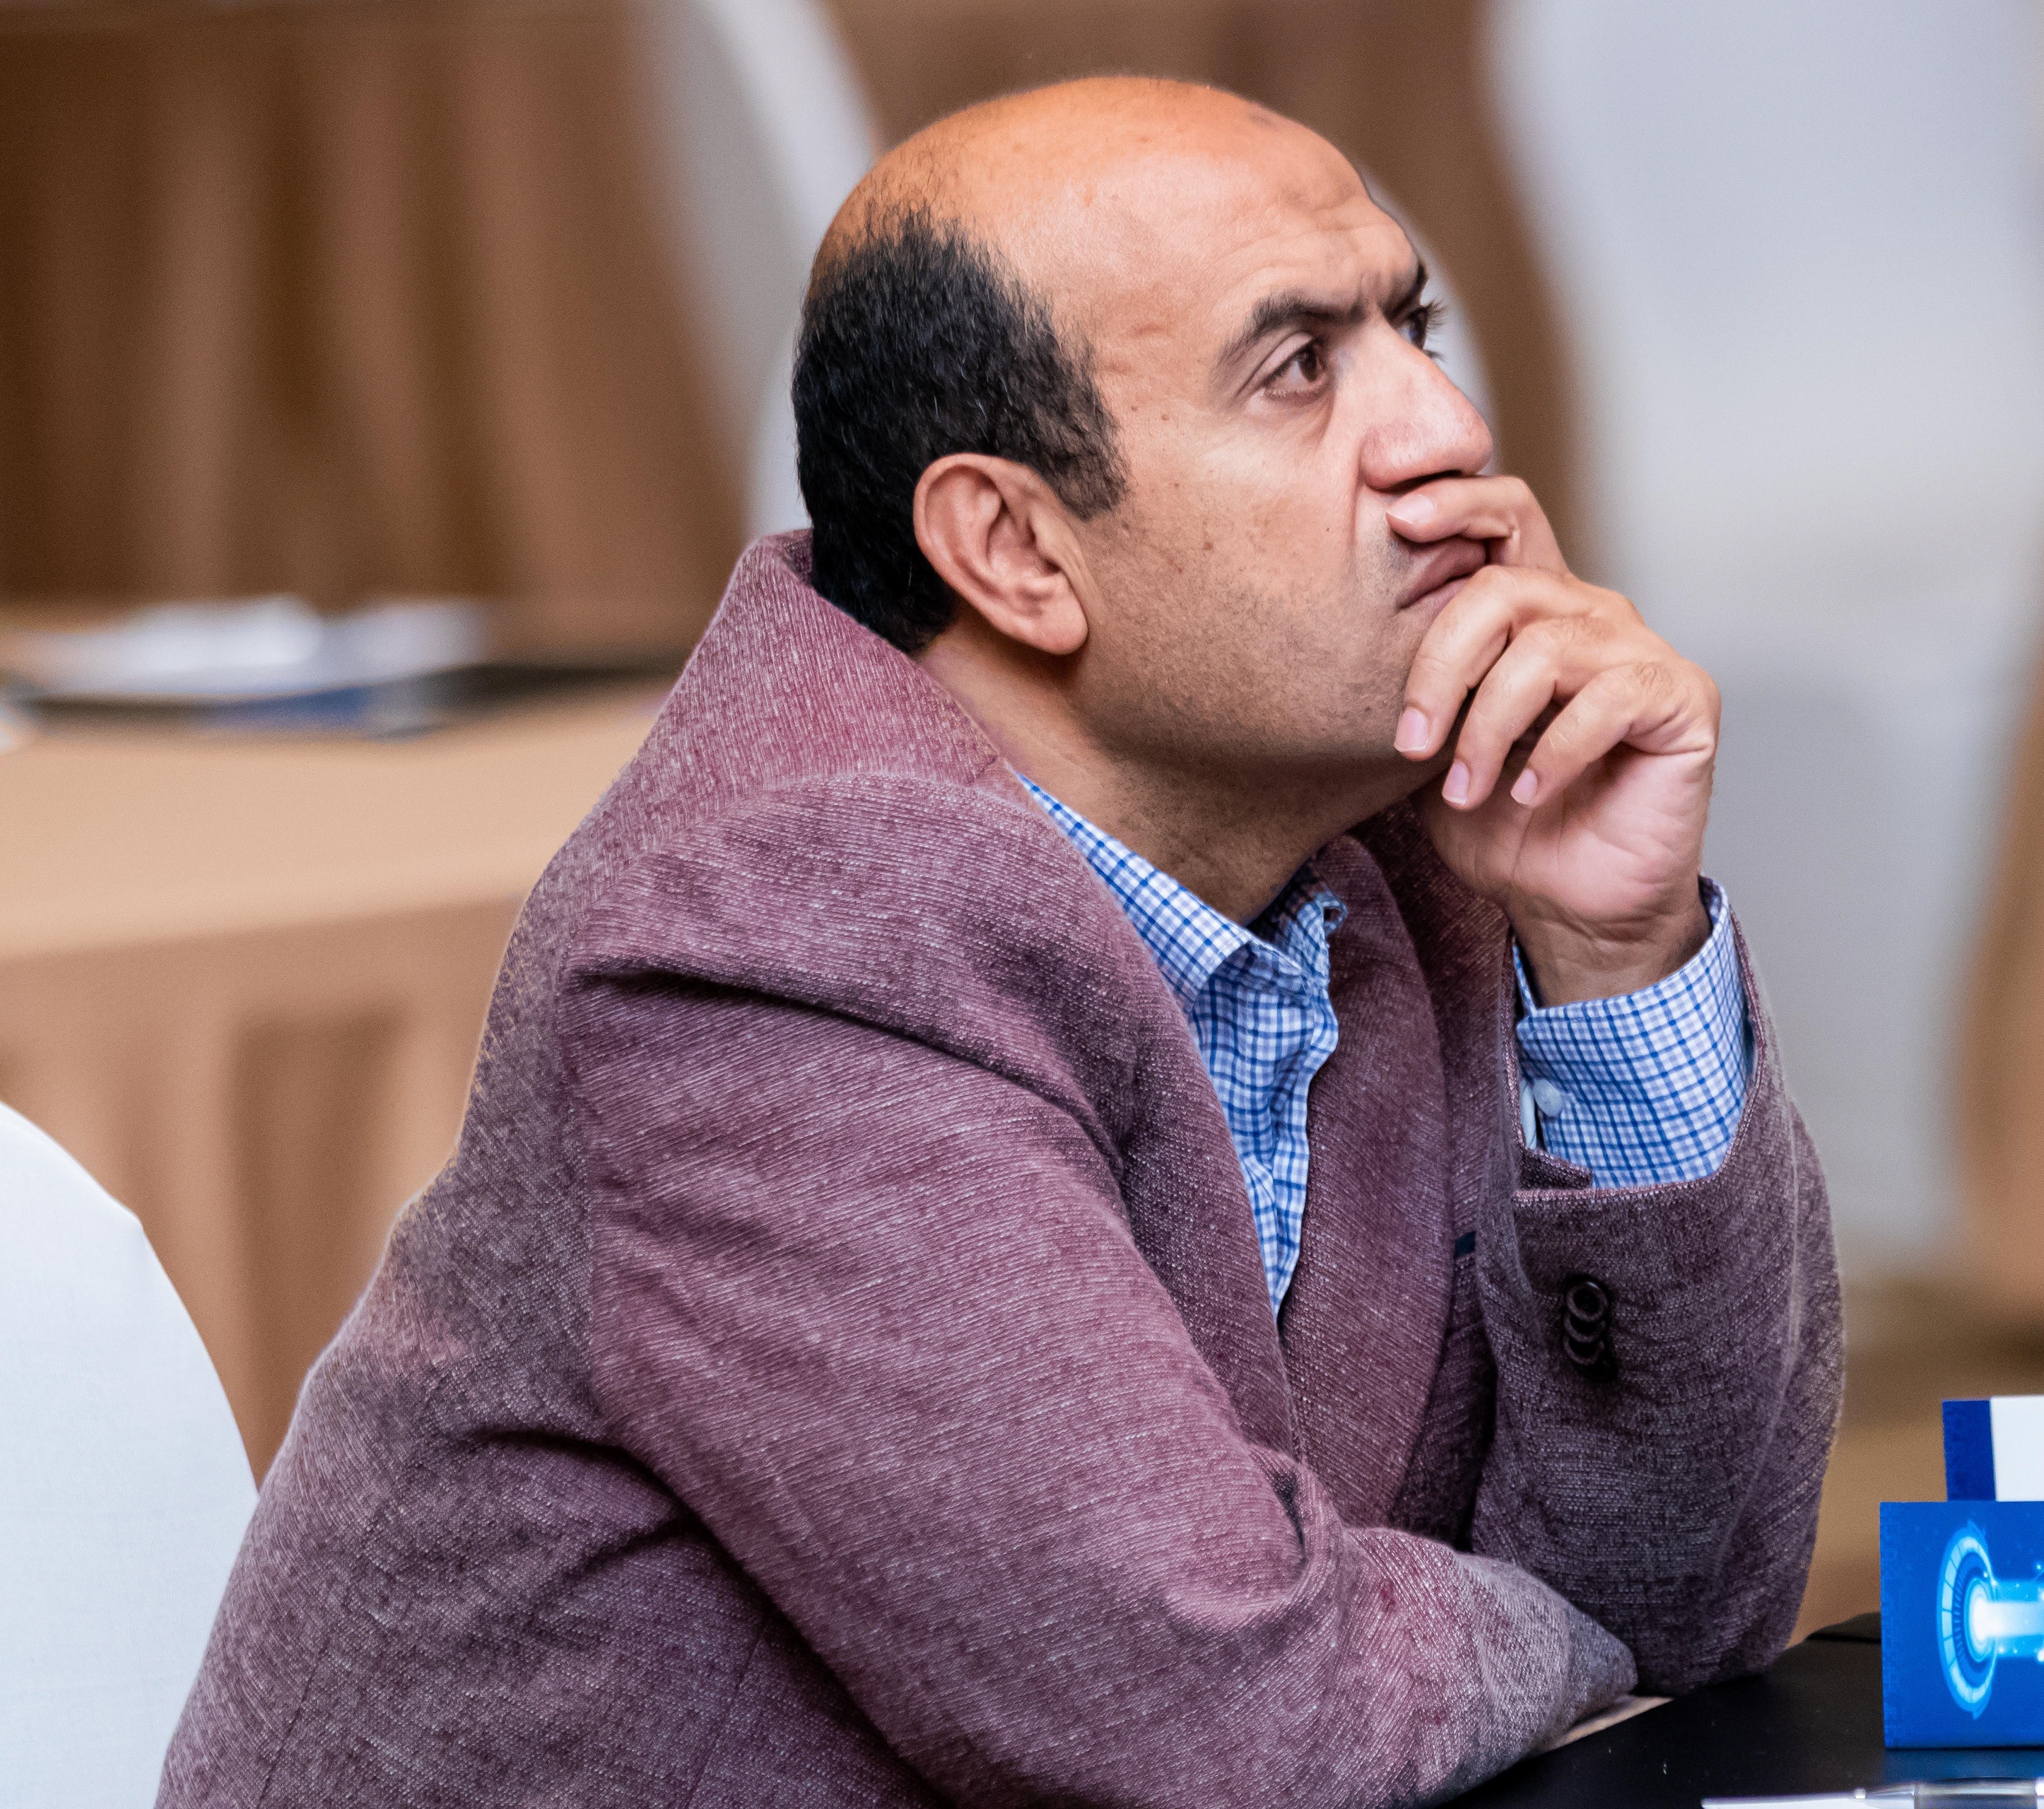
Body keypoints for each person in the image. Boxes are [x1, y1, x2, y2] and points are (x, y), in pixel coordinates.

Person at [163, 77, 1840, 1808]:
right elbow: (1228, 1721)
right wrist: (1571, 1628)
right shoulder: (772, 943)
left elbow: (1698, 1615)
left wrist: (1611, 943)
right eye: (1298, 367)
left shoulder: (1404, 844)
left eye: (1406, 329)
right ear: (1017, 549)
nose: (1451, 430)